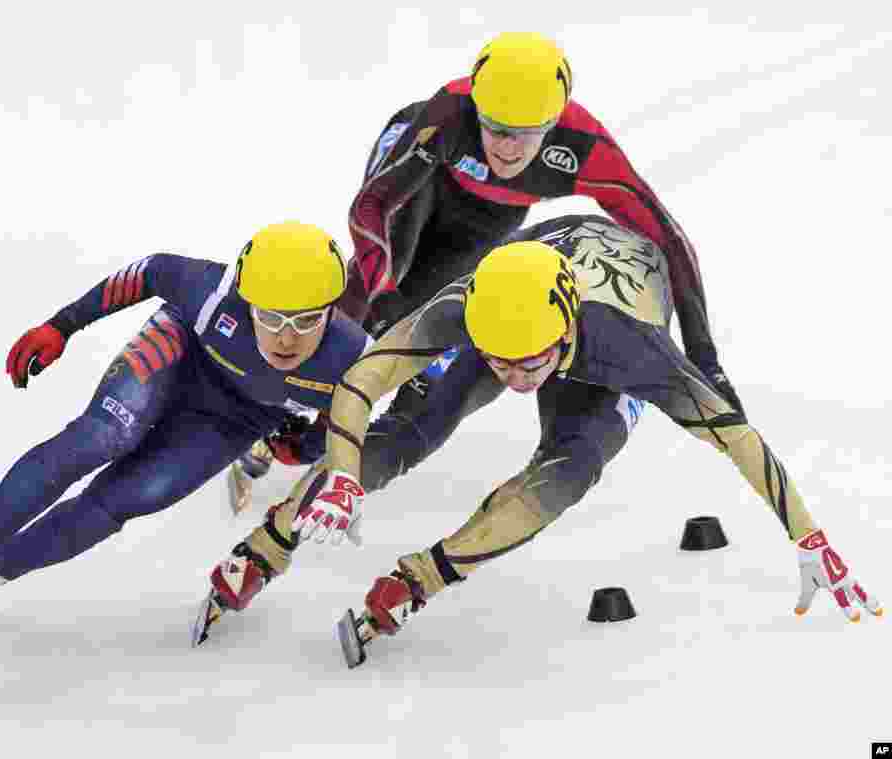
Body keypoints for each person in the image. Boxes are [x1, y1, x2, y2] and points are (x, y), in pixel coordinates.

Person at [195, 214, 881, 662]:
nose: (517, 380)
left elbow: (737, 438)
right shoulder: (473, 305)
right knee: (412, 427)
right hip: (525, 273)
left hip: (609, 327)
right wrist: (342, 474)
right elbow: (364, 380)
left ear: (563, 333)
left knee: (570, 465)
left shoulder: (632, 350)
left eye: (530, 364)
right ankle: (260, 553)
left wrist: (808, 533)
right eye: (501, 363)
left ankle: (419, 579)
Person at [234, 30, 743, 494]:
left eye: (526, 133)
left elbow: (669, 240)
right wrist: (382, 291)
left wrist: (706, 359)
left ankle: (329, 432)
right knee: (379, 294)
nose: (505, 146)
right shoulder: (451, 114)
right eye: (494, 127)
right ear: (476, 108)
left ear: (556, 122)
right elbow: (371, 208)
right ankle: (279, 398)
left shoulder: (586, 148)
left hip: (491, 217)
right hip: (419, 181)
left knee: (439, 305)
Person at [0, 222, 373, 637]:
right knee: (106, 434)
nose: (287, 336)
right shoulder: (209, 293)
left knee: (132, 496)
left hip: (235, 419)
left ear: (333, 311)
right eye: (269, 316)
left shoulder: (354, 359)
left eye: (308, 320)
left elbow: (353, 421)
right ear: (244, 301)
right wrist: (63, 325)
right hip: (181, 350)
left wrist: (305, 445)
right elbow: (151, 269)